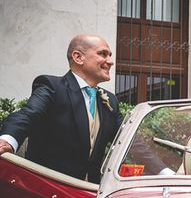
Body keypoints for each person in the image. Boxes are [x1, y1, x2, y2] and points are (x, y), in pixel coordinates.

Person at [0, 34, 123, 183]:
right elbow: (28, 114)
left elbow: (126, 138)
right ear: (78, 57)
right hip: (47, 191)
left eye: (110, 55)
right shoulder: (52, 87)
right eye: (102, 54)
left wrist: (158, 168)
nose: (110, 62)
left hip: (89, 195)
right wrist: (7, 141)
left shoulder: (110, 101)